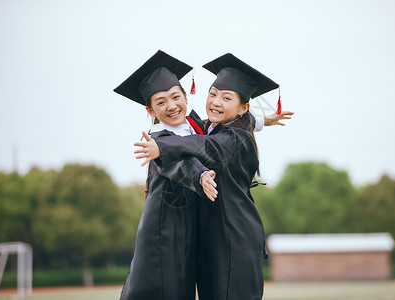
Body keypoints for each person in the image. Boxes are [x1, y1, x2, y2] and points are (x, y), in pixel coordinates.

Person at [135, 53, 285, 300]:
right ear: (150, 109)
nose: (216, 101)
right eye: (213, 94)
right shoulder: (206, 128)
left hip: (232, 237)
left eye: (227, 98)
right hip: (212, 238)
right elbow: (194, 142)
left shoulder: (233, 138)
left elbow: (205, 147)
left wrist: (164, 149)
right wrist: (262, 120)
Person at [114, 50, 211, 300]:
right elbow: (181, 164)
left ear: (186, 97)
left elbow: (221, 128)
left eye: (175, 97)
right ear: (150, 110)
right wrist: (201, 176)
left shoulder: (195, 125)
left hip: (186, 230)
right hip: (164, 232)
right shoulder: (157, 141)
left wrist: (261, 120)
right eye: (160, 102)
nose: (171, 106)